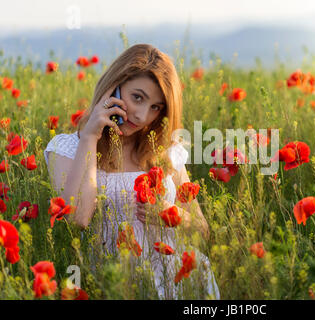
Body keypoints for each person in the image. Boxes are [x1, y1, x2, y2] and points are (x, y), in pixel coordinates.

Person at [43, 43, 220, 299]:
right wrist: (90, 136)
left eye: (156, 107)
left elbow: (202, 229)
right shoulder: (66, 148)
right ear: (113, 87)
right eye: (137, 97)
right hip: (111, 284)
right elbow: (77, 218)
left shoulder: (165, 150)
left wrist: (172, 215)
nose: (141, 115)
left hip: (178, 282)